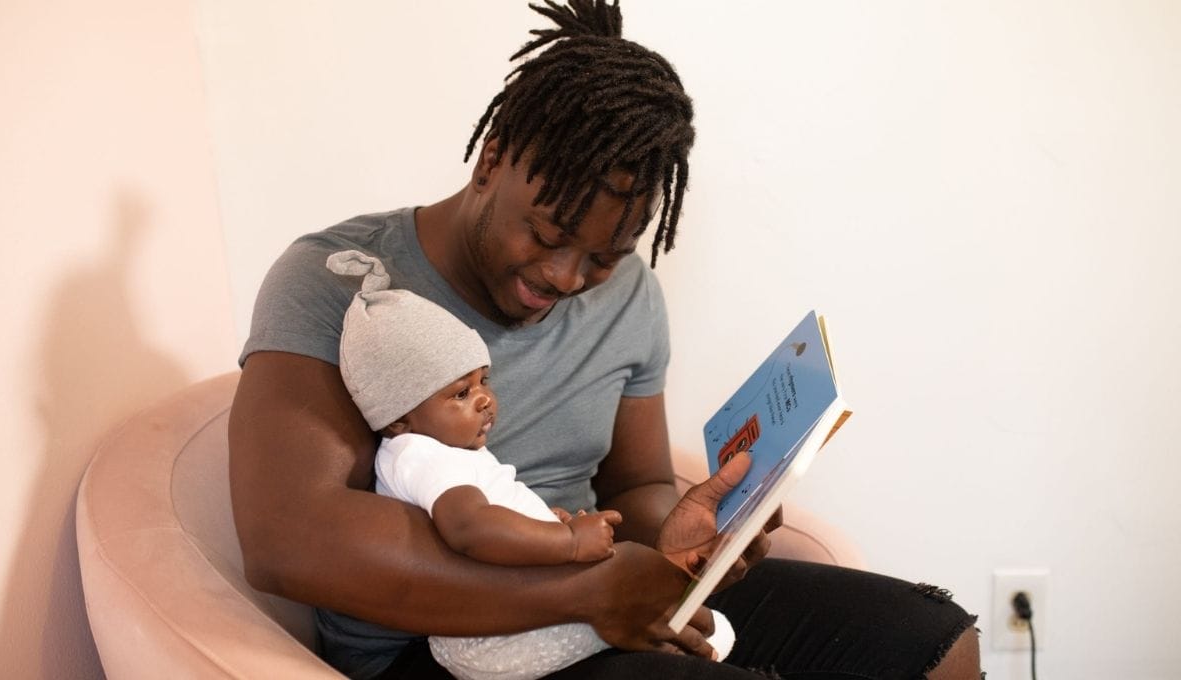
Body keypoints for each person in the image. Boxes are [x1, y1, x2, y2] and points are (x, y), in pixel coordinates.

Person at [229, 1, 983, 679]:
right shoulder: (339, 282)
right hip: (440, 648)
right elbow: (288, 538)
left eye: (604, 256)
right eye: (549, 234)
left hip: (599, 586)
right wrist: (582, 587)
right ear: (493, 160)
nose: (566, 277)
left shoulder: (627, 296)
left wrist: (688, 530)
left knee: (933, 640)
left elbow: (635, 488)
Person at [322, 248, 735, 679]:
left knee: (650, 604)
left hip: (504, 621)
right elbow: (471, 528)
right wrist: (569, 543)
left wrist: (545, 525)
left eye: (484, 380)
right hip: (490, 639)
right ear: (399, 418)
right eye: (460, 393)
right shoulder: (422, 456)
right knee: (653, 616)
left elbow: (494, 520)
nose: (484, 398)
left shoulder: (442, 451)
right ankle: (695, 631)